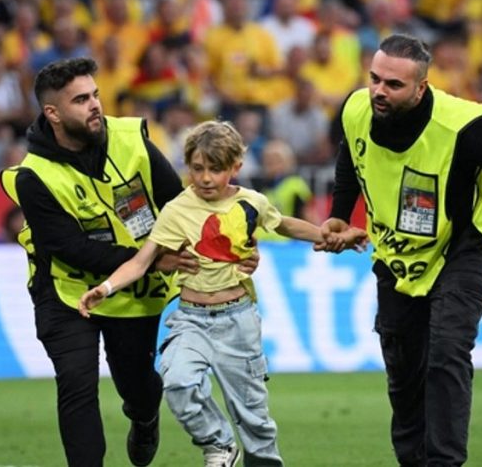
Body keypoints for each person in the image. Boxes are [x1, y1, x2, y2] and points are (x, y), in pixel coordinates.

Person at [317, 33, 482, 466]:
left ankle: (444, 463)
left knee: (446, 353)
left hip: (461, 248)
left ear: (420, 88)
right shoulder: (355, 108)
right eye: (374, 79)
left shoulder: (464, 127)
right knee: (403, 373)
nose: (378, 92)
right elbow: (351, 155)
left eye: (393, 85)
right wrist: (340, 212)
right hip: (397, 255)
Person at [78, 120, 366, 466]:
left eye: (215, 169)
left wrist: (329, 236)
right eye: (197, 168)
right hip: (191, 319)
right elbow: (142, 262)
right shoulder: (177, 210)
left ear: (236, 168)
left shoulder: (251, 203)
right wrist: (105, 288)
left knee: (255, 423)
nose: (205, 178)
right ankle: (219, 444)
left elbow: (284, 223)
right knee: (178, 382)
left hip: (238, 320)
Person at [0, 57, 233, 467]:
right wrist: (150, 259)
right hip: (66, 291)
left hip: (134, 291)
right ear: (52, 113)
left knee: (137, 386)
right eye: (80, 100)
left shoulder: (131, 138)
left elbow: (174, 201)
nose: (94, 106)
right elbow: (69, 248)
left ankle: (144, 418)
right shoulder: (33, 176)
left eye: (95, 95)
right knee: (76, 383)